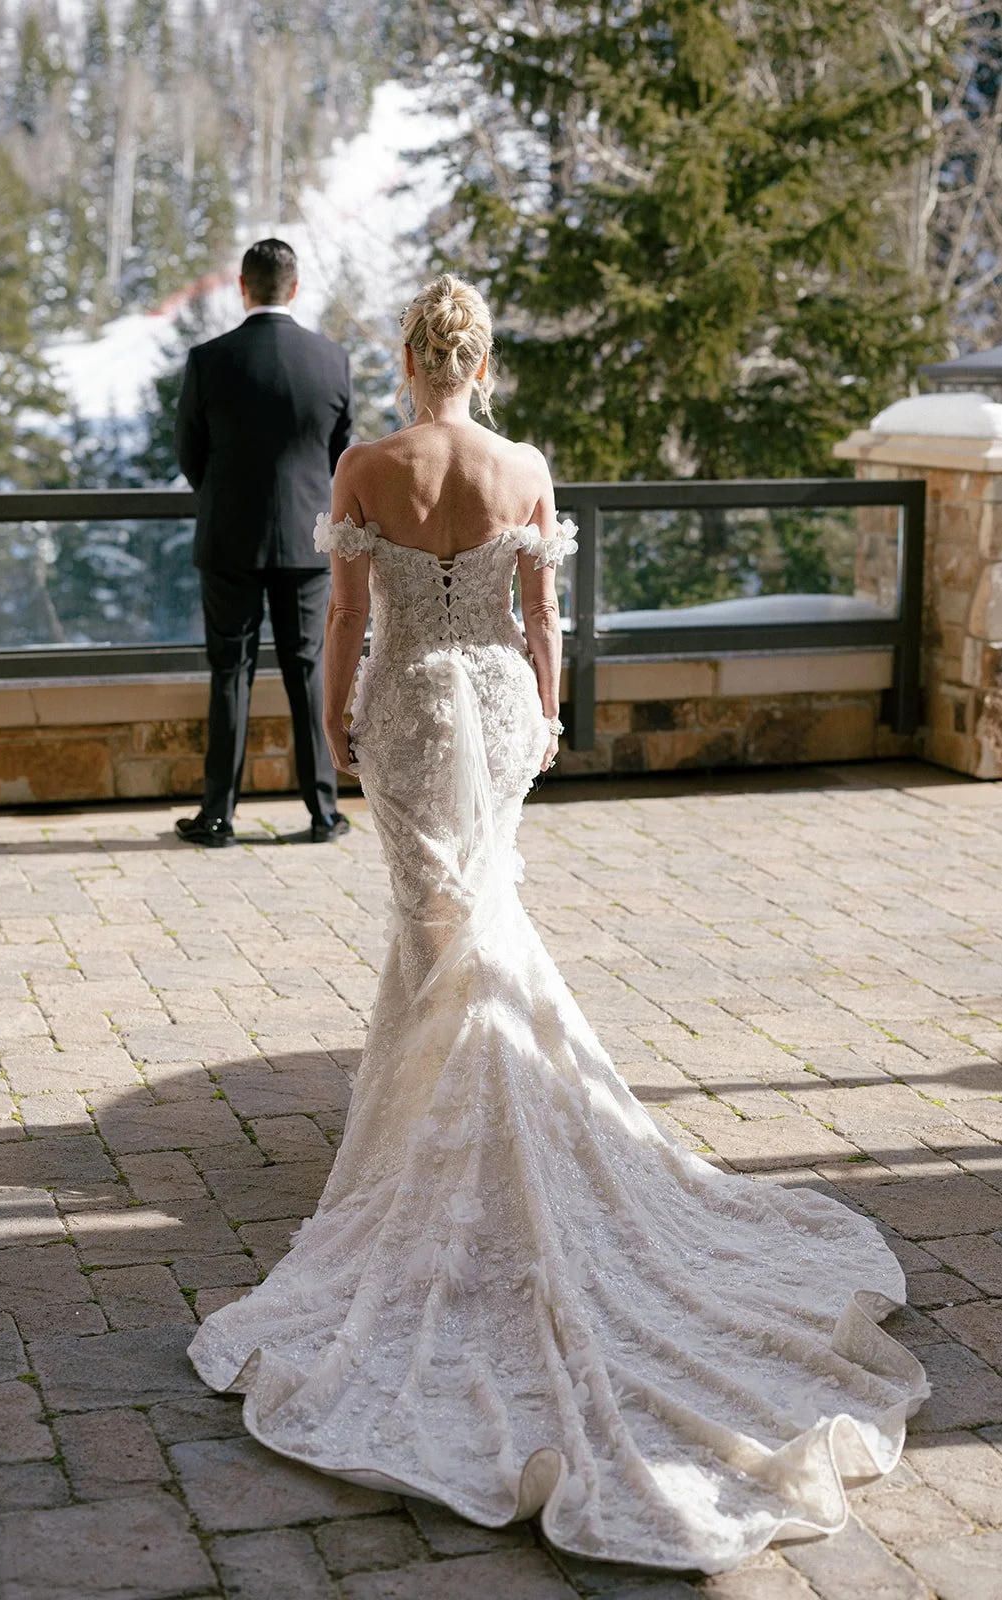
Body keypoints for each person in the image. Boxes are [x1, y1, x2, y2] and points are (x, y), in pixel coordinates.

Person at [188, 275, 929, 1573]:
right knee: (477, 921)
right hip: (491, 707)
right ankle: (484, 1136)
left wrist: (336, 724)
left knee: (436, 934)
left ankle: (458, 1158)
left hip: (408, 707)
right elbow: (541, 624)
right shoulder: (524, 467)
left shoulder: (366, 468)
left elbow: (346, 616)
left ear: (410, 359)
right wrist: (543, 718)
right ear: (481, 363)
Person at [174, 238, 354, 847]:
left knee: (230, 672)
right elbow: (340, 458)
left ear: (242, 287)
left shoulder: (208, 360)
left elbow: (190, 456)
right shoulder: (331, 361)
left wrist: (228, 500)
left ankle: (217, 817)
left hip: (229, 542)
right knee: (309, 672)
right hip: (306, 545)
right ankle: (323, 813)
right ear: (294, 288)